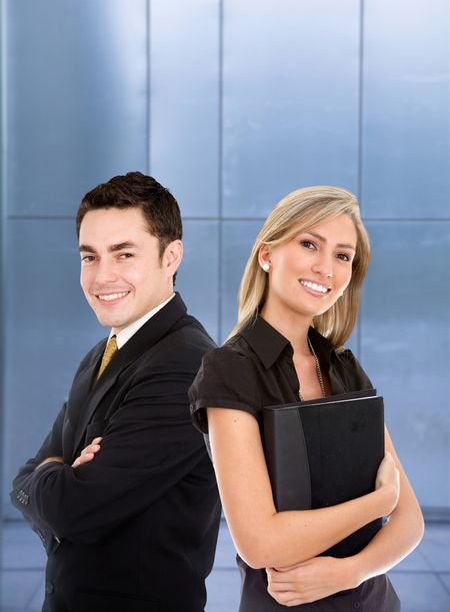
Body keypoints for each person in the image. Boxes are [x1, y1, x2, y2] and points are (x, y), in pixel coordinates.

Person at [189, 186, 424, 611]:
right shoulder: (230, 371)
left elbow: (410, 523)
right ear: (267, 255)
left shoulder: (345, 369)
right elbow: (260, 543)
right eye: (309, 244)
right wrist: (378, 502)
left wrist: (351, 571)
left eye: (343, 255)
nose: (325, 268)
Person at [11, 172, 221, 612]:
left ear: (171, 256)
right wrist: (55, 474)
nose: (102, 276)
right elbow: (20, 484)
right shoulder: (103, 352)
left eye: (124, 254)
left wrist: (53, 474)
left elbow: (73, 510)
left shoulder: (187, 365)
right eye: (90, 257)